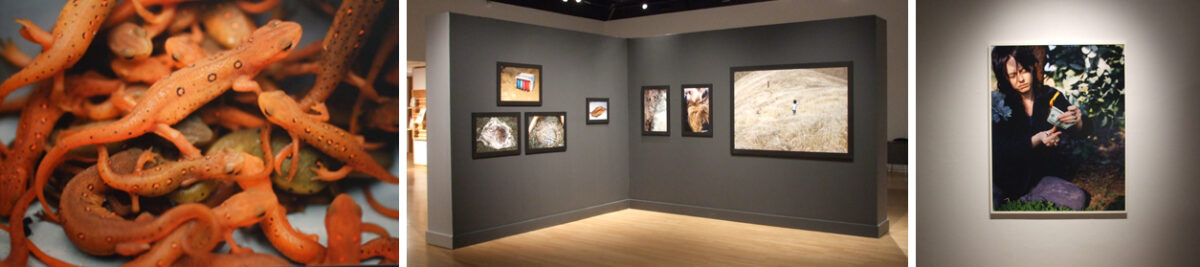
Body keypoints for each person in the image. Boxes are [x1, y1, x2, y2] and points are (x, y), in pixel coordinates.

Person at [990, 46, 1092, 210]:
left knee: (1078, 198)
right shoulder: (998, 104)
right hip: (1003, 178)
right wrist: (1037, 139)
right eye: (1012, 75)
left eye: (1023, 71)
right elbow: (1001, 151)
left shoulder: (1050, 97)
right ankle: (1013, 200)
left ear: (1031, 67)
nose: (1020, 80)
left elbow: (1079, 132)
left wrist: (1078, 121)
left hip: (1039, 180)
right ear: (1004, 78)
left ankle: (1023, 200)